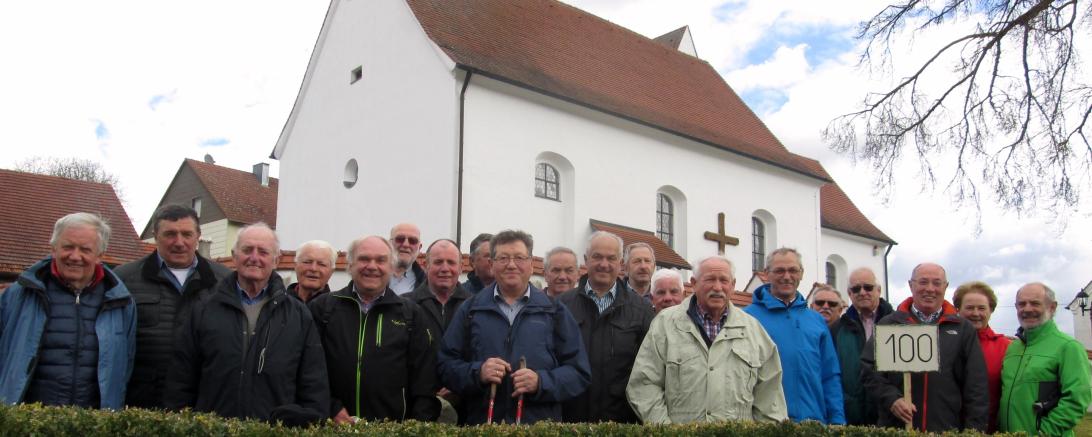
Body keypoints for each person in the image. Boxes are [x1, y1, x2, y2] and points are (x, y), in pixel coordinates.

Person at [165, 223, 329, 424]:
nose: (254, 257)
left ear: (276, 260)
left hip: (273, 431)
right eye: (247, 250)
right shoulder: (204, 308)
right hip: (212, 429)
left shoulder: (298, 315)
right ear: (234, 256)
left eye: (263, 252)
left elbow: (313, 383)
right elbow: (181, 377)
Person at [438, 230, 590, 425]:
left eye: (519, 257)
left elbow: (579, 372)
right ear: (492, 265)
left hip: (539, 428)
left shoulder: (554, 311)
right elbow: (445, 365)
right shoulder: (470, 309)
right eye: (503, 258)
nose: (511, 264)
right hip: (483, 427)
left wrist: (541, 382)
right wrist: (478, 372)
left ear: (530, 264)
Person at [626, 256, 786, 424]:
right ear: (694, 283)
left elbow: (771, 400)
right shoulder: (665, 324)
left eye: (724, 280)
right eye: (710, 279)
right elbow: (643, 384)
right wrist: (666, 431)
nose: (717, 287)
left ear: (733, 285)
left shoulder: (753, 331)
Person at [0, 213, 135, 409]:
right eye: (68, 247)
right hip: (26, 420)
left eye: (85, 249)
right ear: (53, 249)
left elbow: (125, 365)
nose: (75, 256)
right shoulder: (17, 296)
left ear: (100, 255)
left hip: (93, 422)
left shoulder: (121, 303)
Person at [308, 235, 439, 423]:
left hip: (392, 430)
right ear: (350, 264)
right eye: (364, 259)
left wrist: (416, 427)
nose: (372, 266)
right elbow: (309, 370)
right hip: (332, 426)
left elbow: (424, 381)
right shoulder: (323, 308)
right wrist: (330, 408)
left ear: (391, 268)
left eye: (381, 260)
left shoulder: (411, 314)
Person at [114, 204, 231, 409]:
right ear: (155, 235)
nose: (179, 242)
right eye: (170, 234)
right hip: (142, 404)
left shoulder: (225, 281)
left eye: (187, 234)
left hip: (204, 404)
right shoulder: (125, 279)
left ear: (198, 236)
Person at [861, 262, 988, 432]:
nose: (930, 289)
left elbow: (976, 388)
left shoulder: (962, 329)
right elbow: (869, 370)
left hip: (945, 430)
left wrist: (974, 432)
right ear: (911, 285)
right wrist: (891, 399)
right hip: (896, 429)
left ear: (946, 287)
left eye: (936, 283)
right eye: (923, 282)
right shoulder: (889, 324)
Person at [558, 232, 653, 423]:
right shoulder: (562, 305)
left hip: (621, 422)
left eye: (611, 258)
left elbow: (647, 370)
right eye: (597, 257)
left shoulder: (641, 309)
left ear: (621, 264)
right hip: (571, 420)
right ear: (586, 260)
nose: (604, 264)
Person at [744, 248, 845, 425]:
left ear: (801, 273)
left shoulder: (816, 320)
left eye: (793, 270)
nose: (787, 276)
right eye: (779, 271)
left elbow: (830, 375)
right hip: (765, 424)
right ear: (767, 274)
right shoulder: (748, 318)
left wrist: (837, 420)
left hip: (812, 423)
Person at [999, 282, 1092, 436]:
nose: (1027, 309)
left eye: (1035, 303)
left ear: (1052, 307)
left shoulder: (1068, 347)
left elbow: (1076, 400)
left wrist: (1045, 433)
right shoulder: (1013, 349)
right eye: (1022, 304)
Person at [403, 239, 472, 423]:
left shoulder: (477, 306)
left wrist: (459, 384)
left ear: (461, 267)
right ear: (426, 265)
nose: (445, 268)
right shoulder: (404, 305)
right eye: (438, 262)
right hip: (416, 408)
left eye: (451, 262)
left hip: (466, 408)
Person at [829, 266, 894, 426]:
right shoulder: (837, 329)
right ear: (850, 294)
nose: (862, 292)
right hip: (852, 417)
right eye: (856, 289)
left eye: (868, 287)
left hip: (890, 415)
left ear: (878, 290)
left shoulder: (898, 324)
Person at [953, 281, 1010, 433]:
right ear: (957, 309)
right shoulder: (946, 343)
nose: (976, 313)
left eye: (982, 308)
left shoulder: (1006, 347)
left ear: (991, 310)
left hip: (992, 428)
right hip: (948, 428)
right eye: (969, 308)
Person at [389, 223, 425, 295]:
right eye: (400, 239)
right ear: (389, 243)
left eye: (413, 241)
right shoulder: (372, 275)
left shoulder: (427, 284)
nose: (406, 244)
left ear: (419, 247)